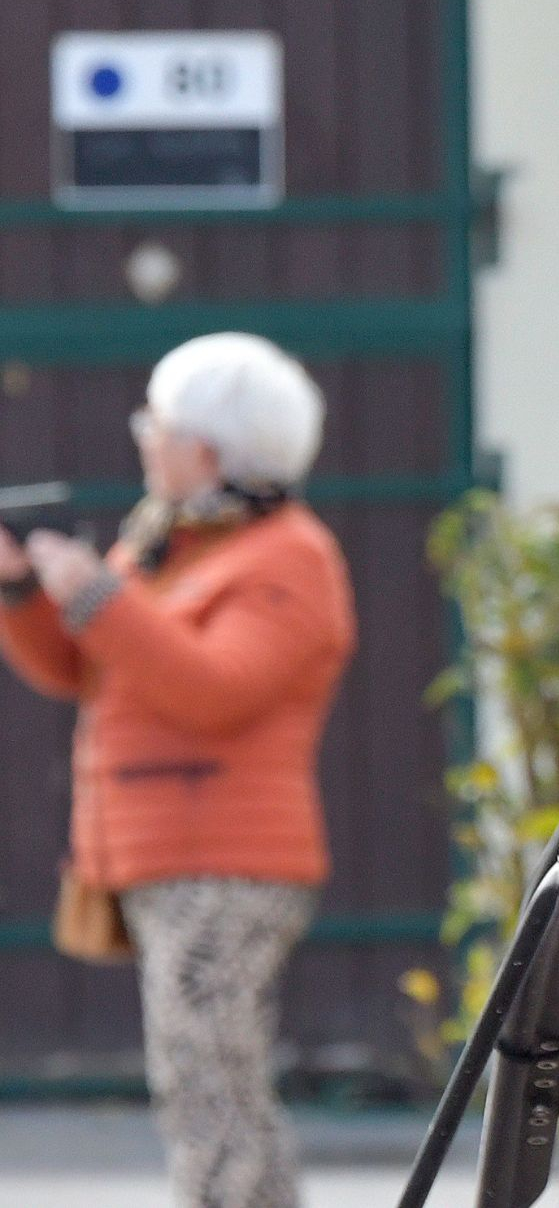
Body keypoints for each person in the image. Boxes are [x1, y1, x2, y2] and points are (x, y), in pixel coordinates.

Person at [0, 332, 354, 1208]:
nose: (144, 439)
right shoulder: (173, 542)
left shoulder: (290, 556)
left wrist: (95, 592)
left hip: (227, 865)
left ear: (206, 446)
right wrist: (21, 590)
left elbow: (215, 690)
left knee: (207, 1085)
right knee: (210, 1081)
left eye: (155, 424)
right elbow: (86, 670)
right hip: (171, 856)